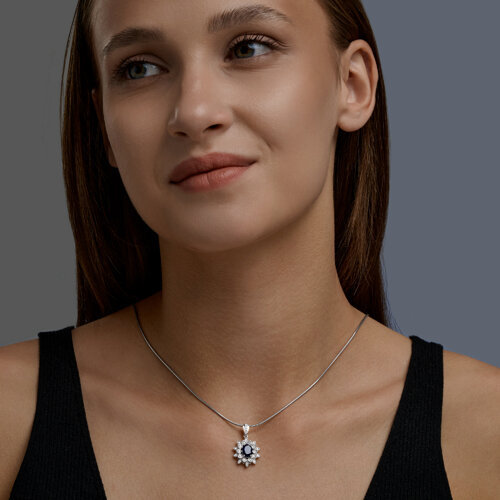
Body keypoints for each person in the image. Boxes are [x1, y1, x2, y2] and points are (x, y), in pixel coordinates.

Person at [1, 0, 499, 498]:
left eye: (248, 49)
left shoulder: (486, 431)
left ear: (352, 85)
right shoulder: (9, 414)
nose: (194, 113)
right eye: (140, 69)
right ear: (105, 128)